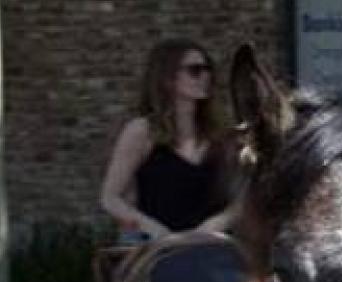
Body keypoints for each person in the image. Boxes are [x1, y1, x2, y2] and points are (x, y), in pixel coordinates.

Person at [101, 39, 240, 244]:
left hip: (209, 246)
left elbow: (243, 200)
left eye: (208, 69)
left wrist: (213, 226)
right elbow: (110, 198)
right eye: (195, 70)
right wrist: (155, 230)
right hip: (152, 245)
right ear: (167, 78)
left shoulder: (221, 135)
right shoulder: (142, 131)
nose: (205, 77)